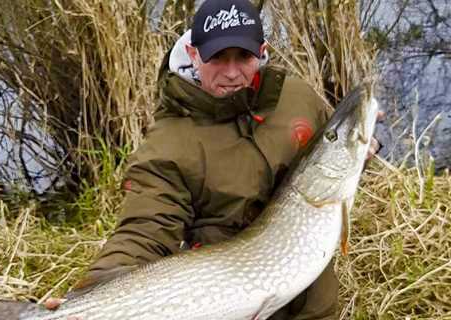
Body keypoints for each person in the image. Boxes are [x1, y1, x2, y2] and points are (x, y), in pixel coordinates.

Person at [46, 0, 381, 318]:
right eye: (218, 58)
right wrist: (90, 301)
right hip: (224, 303)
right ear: (193, 54)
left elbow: (323, 164)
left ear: (262, 52)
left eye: (244, 56)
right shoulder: (167, 146)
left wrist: (359, 154)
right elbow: (144, 231)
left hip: (311, 303)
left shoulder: (297, 97)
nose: (233, 72)